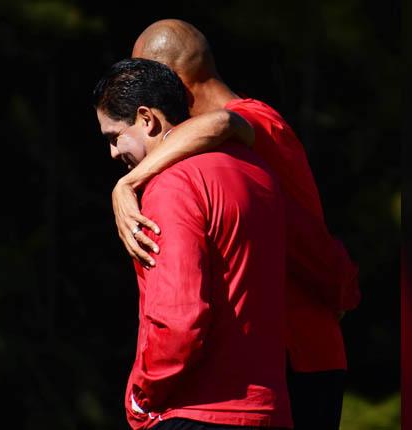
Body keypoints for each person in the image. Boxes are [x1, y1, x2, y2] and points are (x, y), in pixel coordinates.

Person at [111, 19, 361, 430]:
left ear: (173, 80)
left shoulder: (253, 122)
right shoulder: (222, 150)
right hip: (287, 357)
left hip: (296, 355)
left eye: (149, 82)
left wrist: (129, 183)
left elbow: (223, 124)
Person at [93, 58, 293, 430]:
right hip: (270, 410)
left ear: (147, 119)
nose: (112, 153)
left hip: (198, 410)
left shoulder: (172, 185)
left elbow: (179, 319)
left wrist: (141, 396)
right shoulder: (259, 172)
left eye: (113, 137)